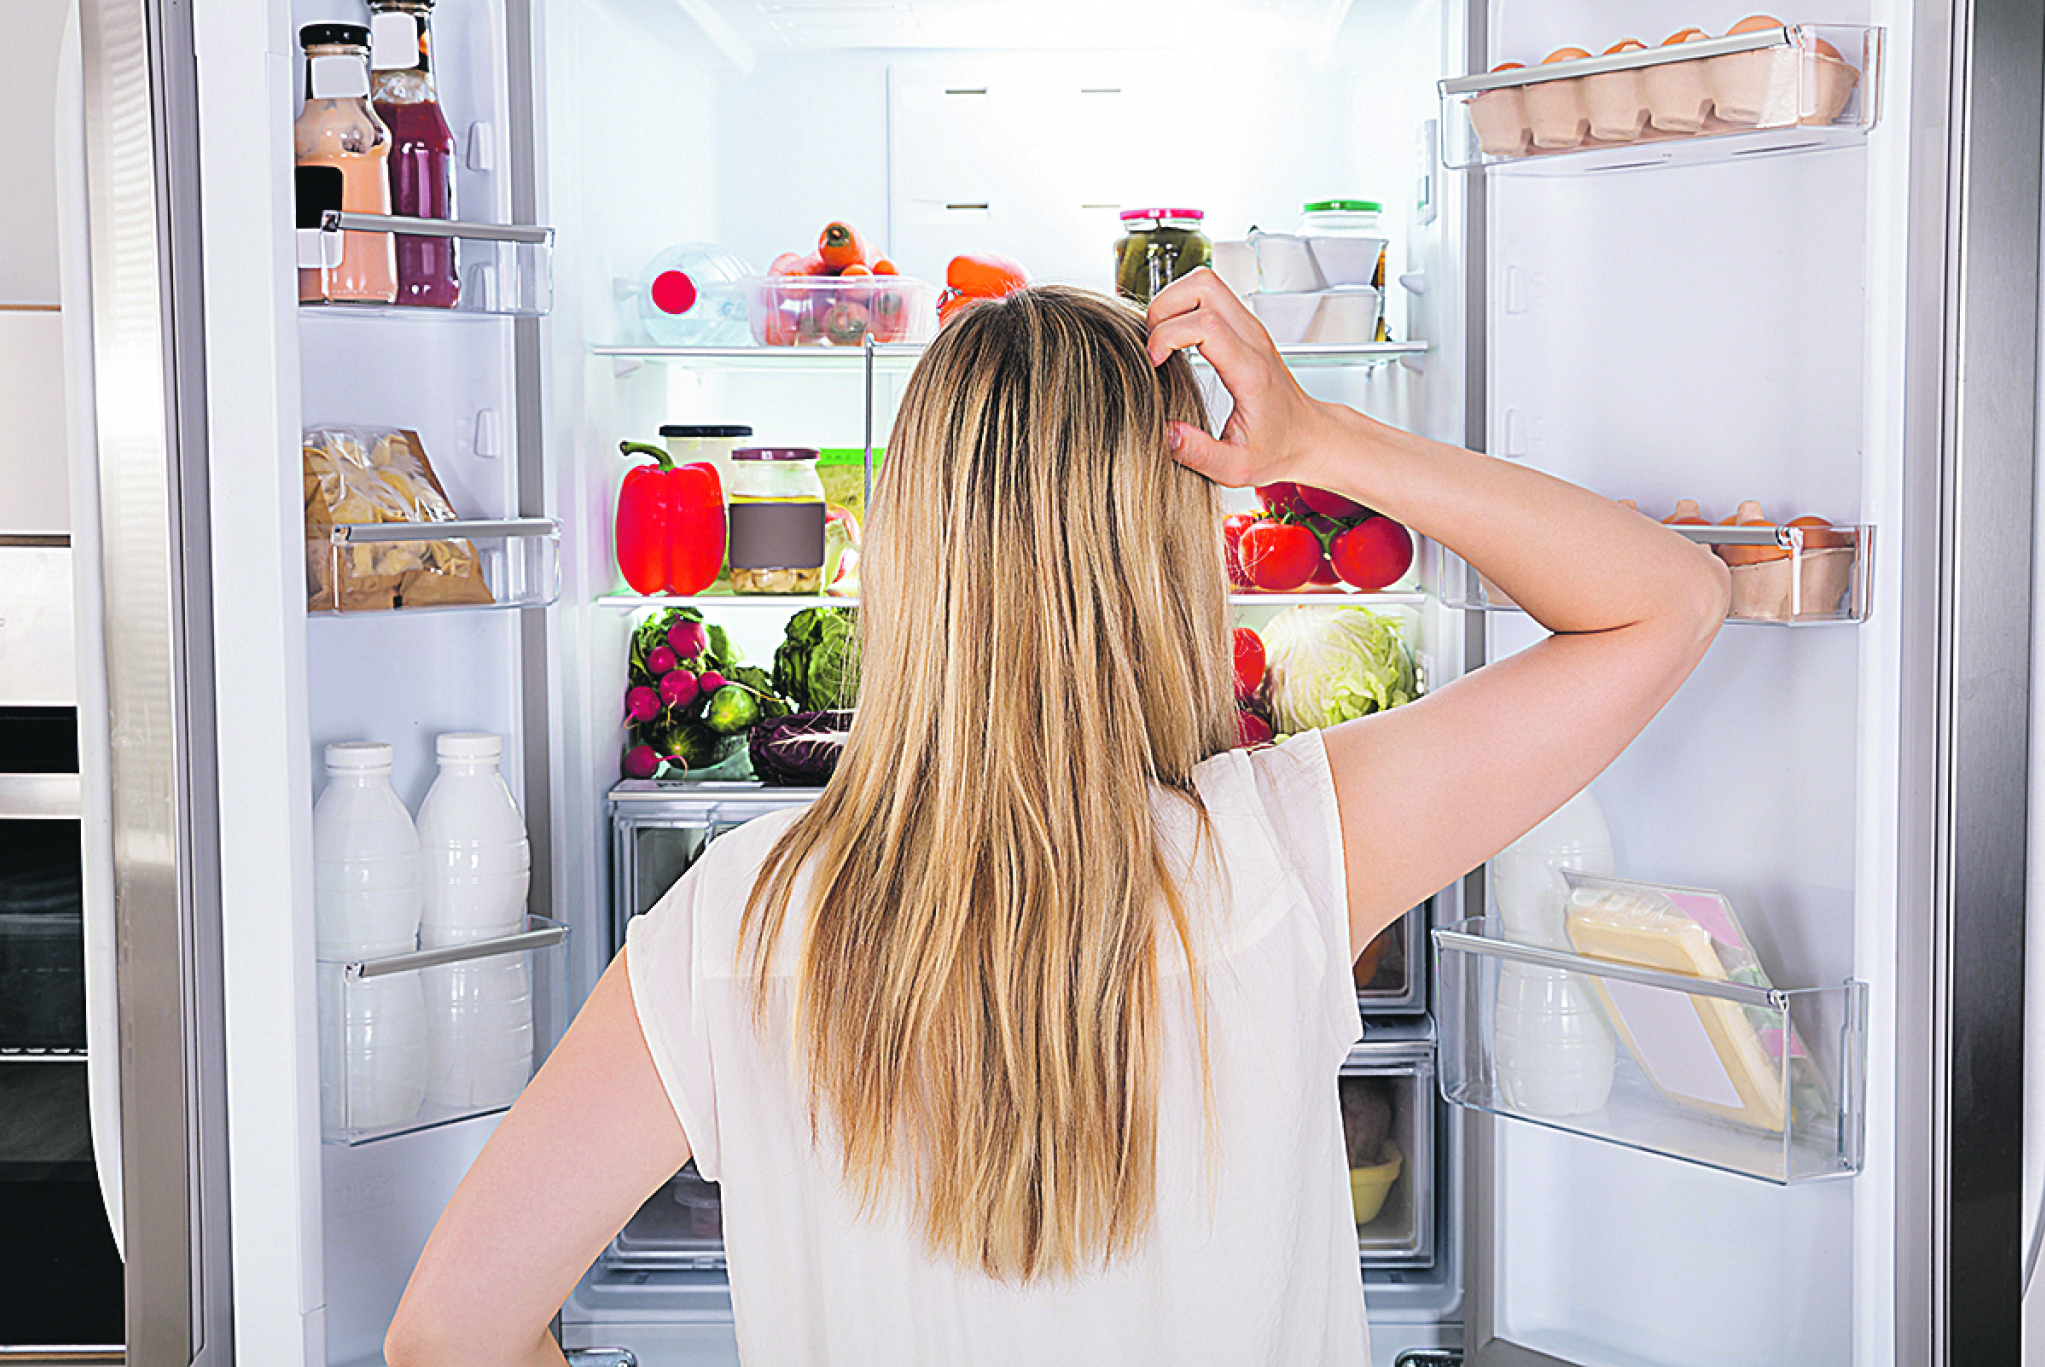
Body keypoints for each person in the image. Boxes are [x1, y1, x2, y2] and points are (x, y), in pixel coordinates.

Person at [383, 274, 1730, 1367]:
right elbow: (1665, 600)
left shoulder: (727, 924)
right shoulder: (1287, 849)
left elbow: (450, 1332)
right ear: (1168, 546)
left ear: (906, 544)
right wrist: (1322, 441)